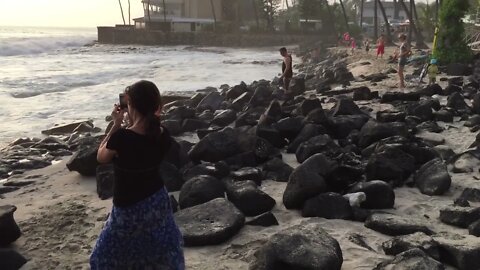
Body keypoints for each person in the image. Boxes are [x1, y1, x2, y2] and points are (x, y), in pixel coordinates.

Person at [90, 80, 185, 269]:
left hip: (128, 209)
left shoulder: (122, 138)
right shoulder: (162, 134)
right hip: (157, 201)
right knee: (160, 251)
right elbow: (146, 134)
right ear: (157, 106)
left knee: (102, 258)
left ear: (130, 105)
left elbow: (101, 157)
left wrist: (116, 123)